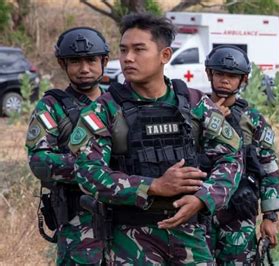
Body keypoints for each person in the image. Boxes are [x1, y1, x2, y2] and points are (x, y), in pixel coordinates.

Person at [68, 13, 243, 265]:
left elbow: (232, 156)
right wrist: (152, 186)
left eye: (139, 49)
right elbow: (87, 171)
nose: (128, 58)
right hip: (131, 238)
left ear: (165, 56)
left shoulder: (194, 103)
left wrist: (203, 198)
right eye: (124, 50)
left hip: (189, 234)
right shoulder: (104, 109)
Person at [25, 27, 109, 265]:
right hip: (78, 223)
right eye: (75, 61)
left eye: (91, 60)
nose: (84, 68)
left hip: (125, 223)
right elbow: (39, 162)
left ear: (104, 61)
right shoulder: (53, 106)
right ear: (63, 65)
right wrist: (94, 168)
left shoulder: (118, 103)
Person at [204, 45, 279, 264]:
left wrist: (270, 217)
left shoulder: (252, 120)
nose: (224, 80)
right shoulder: (194, 112)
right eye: (219, 74)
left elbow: (269, 168)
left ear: (244, 80)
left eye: (232, 76)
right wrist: (208, 122)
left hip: (239, 215)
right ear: (209, 74)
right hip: (199, 213)